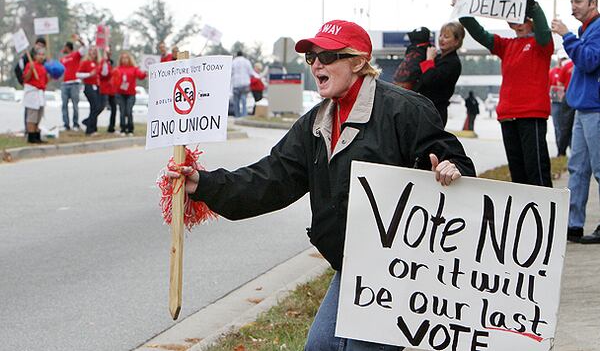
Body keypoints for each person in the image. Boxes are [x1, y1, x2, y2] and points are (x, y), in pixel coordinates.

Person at [167, 19, 476, 350]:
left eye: (327, 57)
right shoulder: (315, 123)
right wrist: (204, 183)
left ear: (358, 62)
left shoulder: (407, 111)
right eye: (311, 57)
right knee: (320, 345)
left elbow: (459, 168)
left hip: (398, 269)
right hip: (351, 265)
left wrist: (449, 168)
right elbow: (271, 179)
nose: (316, 64)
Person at [460, 0, 554, 187]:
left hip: (531, 115)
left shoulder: (542, 45)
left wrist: (533, 6)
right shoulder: (506, 45)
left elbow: (544, 31)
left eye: (520, 18)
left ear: (530, 21)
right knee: (518, 174)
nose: (516, 24)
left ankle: (546, 216)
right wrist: (463, 10)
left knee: (536, 170)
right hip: (508, 116)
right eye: (512, 20)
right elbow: (479, 33)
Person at [551, 0, 600, 243]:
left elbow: (590, 61)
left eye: (579, 1)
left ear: (593, 3)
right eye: (572, 1)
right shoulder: (587, 30)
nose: (573, 6)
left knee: (599, 169)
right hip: (584, 107)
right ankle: (574, 225)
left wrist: (567, 36)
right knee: (577, 169)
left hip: (595, 109)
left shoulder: (598, 29)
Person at [416, 22, 465, 126]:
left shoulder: (452, 62)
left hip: (435, 111)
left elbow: (429, 80)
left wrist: (429, 60)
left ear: (457, 41)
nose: (441, 39)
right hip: (424, 108)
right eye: (441, 35)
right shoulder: (438, 58)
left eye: (446, 36)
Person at [113, 52, 146, 135]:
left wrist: (145, 72)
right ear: (121, 60)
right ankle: (123, 129)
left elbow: (140, 76)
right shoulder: (118, 69)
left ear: (129, 59)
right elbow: (113, 80)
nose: (125, 60)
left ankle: (130, 129)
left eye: (126, 58)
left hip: (130, 94)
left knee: (129, 111)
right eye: (123, 58)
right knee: (122, 111)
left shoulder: (134, 69)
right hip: (120, 94)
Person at [59, 35, 86, 131]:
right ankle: (66, 124)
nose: (63, 49)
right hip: (64, 84)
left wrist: (79, 40)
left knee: (75, 105)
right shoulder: (62, 59)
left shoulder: (75, 55)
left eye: (64, 47)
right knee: (64, 105)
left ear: (68, 47)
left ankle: (75, 124)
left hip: (74, 83)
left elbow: (84, 48)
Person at [22, 47, 48, 144]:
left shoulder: (43, 67)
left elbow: (45, 81)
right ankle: (31, 136)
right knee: (32, 117)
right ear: (35, 56)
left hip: (40, 93)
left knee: (38, 116)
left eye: (43, 55)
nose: (41, 57)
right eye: (39, 54)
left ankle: (37, 134)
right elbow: (26, 78)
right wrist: (31, 70)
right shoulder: (30, 65)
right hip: (33, 93)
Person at [77, 46, 102, 136]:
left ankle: (92, 126)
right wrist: (89, 74)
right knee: (95, 106)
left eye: (95, 51)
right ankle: (90, 129)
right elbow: (78, 74)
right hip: (89, 86)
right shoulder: (85, 62)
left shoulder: (98, 63)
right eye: (91, 50)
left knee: (97, 107)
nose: (93, 52)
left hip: (97, 87)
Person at [556, 57, 575, 156]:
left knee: (565, 126)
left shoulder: (566, 66)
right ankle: (563, 151)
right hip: (576, 95)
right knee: (568, 126)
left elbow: (559, 83)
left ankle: (561, 152)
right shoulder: (578, 65)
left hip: (568, 95)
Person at [548, 55, 566, 150]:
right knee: (558, 126)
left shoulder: (570, 69)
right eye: (561, 59)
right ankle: (560, 149)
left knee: (567, 127)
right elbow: (548, 87)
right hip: (556, 102)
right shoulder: (552, 72)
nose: (562, 61)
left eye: (564, 59)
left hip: (568, 102)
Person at [230, 51, 255, 117]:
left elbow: (230, 73)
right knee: (244, 100)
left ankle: (237, 115)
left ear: (236, 55)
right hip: (245, 84)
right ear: (243, 55)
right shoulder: (247, 62)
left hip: (236, 84)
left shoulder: (233, 62)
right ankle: (244, 115)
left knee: (236, 101)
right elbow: (251, 72)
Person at [98, 48, 117, 133]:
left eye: (110, 52)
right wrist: (105, 61)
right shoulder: (103, 62)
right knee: (101, 107)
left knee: (114, 109)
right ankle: (89, 121)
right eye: (107, 52)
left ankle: (111, 128)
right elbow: (104, 74)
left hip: (112, 90)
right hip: (105, 89)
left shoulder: (110, 62)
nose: (109, 53)